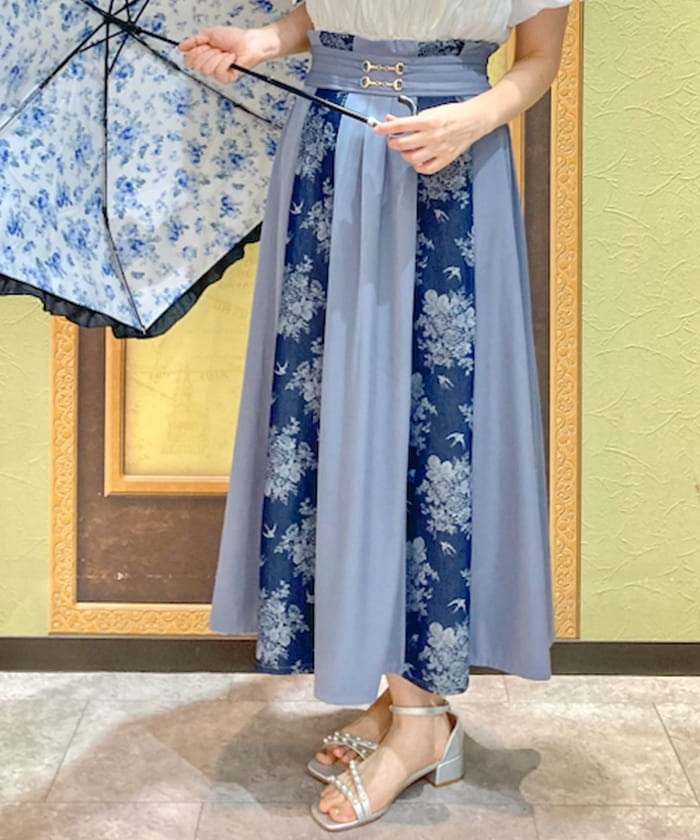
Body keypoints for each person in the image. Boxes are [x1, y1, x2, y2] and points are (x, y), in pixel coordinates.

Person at [180, 0, 571, 830]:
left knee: (433, 424)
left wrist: (475, 115)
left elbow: (539, 57)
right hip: (328, 155)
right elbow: (322, 13)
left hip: (448, 158)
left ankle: (422, 720)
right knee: (342, 423)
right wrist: (263, 40)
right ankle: (402, 698)